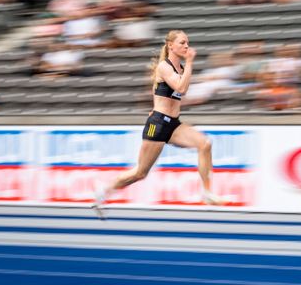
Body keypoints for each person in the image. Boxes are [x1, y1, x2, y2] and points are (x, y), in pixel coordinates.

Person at [93, 30, 224, 218]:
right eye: (182, 43)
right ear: (171, 46)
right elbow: (181, 88)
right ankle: (104, 189)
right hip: (158, 124)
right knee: (140, 173)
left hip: (174, 125)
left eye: (187, 42)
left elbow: (178, 93)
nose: (186, 46)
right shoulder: (164, 66)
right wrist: (190, 63)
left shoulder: (179, 68)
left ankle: (207, 192)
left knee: (205, 144)